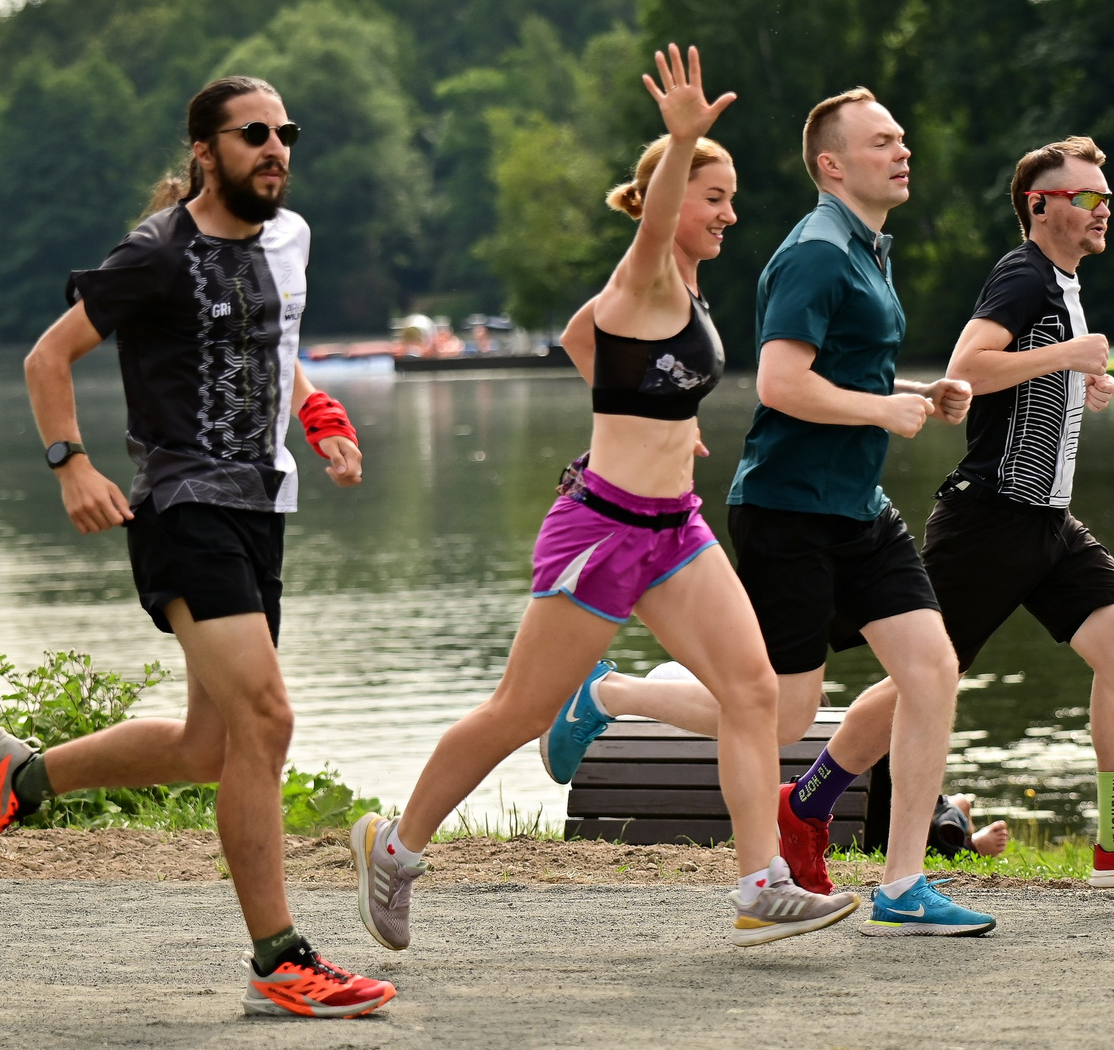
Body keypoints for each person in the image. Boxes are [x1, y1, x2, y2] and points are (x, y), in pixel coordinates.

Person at [351, 46, 858, 950]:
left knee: (752, 690)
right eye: (715, 196)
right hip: (604, 531)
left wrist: (657, 419)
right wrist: (681, 139)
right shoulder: (652, 268)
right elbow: (647, 240)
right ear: (671, 200)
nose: (730, 213)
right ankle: (395, 845)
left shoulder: (681, 290)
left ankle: (758, 883)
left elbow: (582, 337)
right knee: (522, 711)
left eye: (731, 197)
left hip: (676, 530)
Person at [0, 75, 397, 1019]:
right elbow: (46, 357)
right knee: (267, 721)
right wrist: (70, 462)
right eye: (252, 134)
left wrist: (316, 414)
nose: (275, 147)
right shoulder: (155, 254)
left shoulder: (291, 237)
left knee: (210, 744)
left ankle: (19, 775)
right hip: (184, 506)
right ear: (206, 150)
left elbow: (275, 341)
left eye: (285, 132)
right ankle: (279, 958)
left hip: (261, 509)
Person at [549, 88, 996, 937]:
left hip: (858, 508)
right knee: (783, 714)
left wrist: (907, 396)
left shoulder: (868, 247)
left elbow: (838, 377)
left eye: (903, 137)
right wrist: (880, 413)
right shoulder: (816, 253)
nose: (903, 151)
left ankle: (903, 886)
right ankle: (611, 695)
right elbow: (780, 383)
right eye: (882, 142)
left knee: (932, 670)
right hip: (788, 512)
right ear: (832, 164)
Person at [811, 138, 1114, 886]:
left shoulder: (1061, 284)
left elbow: (1024, 378)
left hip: (1048, 522)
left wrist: (1081, 386)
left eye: (1106, 198)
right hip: (989, 520)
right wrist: (1066, 360)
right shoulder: (1023, 273)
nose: (1102, 211)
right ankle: (806, 803)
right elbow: (967, 367)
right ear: (1041, 205)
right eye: (1086, 198)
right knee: (921, 680)